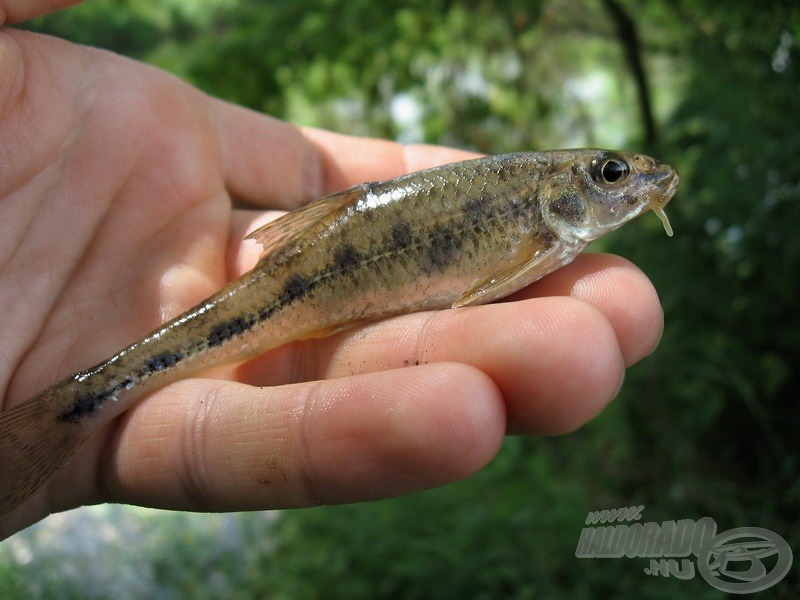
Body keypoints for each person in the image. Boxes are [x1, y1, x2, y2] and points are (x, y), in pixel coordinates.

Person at [0, 1, 664, 539]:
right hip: (299, 283)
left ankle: (74, 408)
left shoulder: (541, 219)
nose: (637, 183)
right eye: (612, 175)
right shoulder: (537, 216)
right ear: (560, 192)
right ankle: (79, 404)